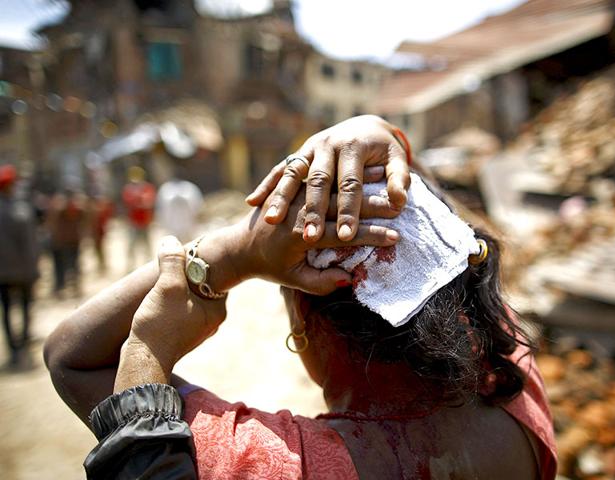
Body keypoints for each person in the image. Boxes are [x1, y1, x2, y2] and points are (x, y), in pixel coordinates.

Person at [44, 116, 556, 479]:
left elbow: (74, 358)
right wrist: (386, 134)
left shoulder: (270, 464)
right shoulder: (516, 385)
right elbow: (459, 248)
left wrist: (235, 253)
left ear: (308, 326)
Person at [0, 165, 39, 365]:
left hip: (3, 273)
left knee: (6, 310)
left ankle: (13, 347)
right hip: (23, 270)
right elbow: (30, 243)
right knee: (24, 306)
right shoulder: (20, 210)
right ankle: (22, 343)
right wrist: (34, 268)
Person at [46, 188, 86, 296]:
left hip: (67, 241)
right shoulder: (70, 207)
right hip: (66, 241)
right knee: (66, 266)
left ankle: (70, 287)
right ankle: (64, 287)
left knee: (68, 266)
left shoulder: (70, 207)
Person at [122, 165, 156, 271]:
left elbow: (149, 201)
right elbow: (128, 202)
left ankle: (150, 265)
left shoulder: (147, 188)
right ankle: (130, 267)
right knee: (132, 245)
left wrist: (140, 201)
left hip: (145, 221)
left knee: (146, 244)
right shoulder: (128, 189)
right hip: (133, 221)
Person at [156, 173, 203, 243]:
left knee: (190, 243)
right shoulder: (166, 188)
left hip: (187, 221)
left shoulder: (189, 187)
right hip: (172, 223)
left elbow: (196, 204)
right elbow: (161, 206)